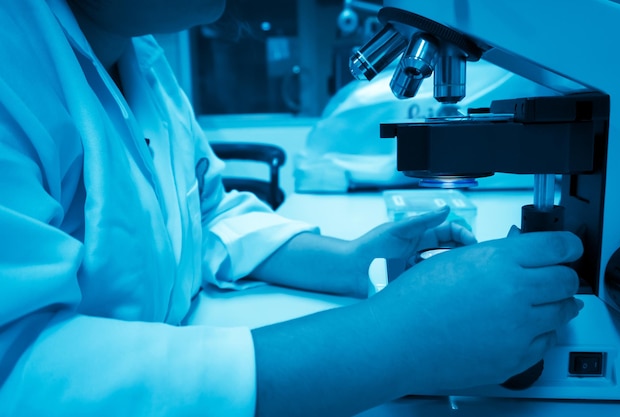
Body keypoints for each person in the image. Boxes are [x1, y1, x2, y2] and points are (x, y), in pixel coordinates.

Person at [0, 1, 584, 416]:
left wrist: (350, 259)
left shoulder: (140, 55)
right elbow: (18, 374)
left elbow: (207, 213)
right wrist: (396, 340)